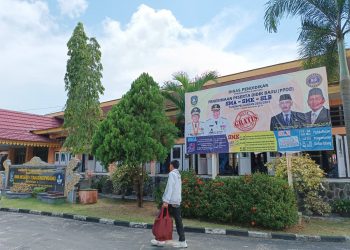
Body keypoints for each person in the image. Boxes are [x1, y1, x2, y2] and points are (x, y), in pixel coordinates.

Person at [151, 160, 187, 248]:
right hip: (176, 200)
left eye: (170, 165)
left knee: (162, 219)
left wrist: (166, 201)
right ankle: (182, 241)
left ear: (171, 166)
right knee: (178, 220)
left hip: (170, 201)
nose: (169, 166)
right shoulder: (178, 175)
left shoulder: (172, 174)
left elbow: (170, 188)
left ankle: (160, 239)